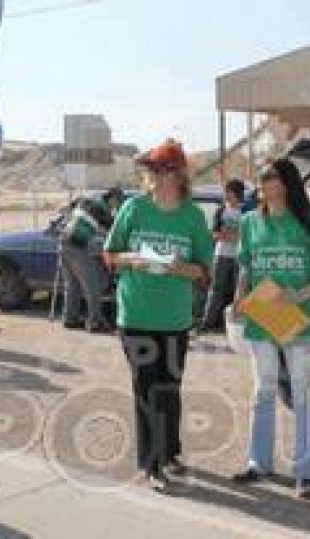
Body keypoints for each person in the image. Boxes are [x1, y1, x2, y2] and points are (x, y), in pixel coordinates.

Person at [103, 139, 213, 493]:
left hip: (175, 319)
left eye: (165, 169)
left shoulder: (192, 216)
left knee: (170, 388)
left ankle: (170, 451)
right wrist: (132, 259)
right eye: (152, 170)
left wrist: (181, 268)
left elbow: (205, 270)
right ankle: (152, 463)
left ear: (179, 174)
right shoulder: (133, 209)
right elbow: (110, 254)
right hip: (135, 316)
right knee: (147, 389)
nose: (157, 176)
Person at [231, 158, 310, 500]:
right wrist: (238, 298)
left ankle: (304, 472)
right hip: (263, 312)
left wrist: (300, 295)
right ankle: (258, 462)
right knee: (263, 388)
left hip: (300, 318)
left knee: (302, 392)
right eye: (261, 178)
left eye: (271, 177)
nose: (264, 183)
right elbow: (246, 266)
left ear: (287, 182)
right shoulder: (249, 222)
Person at [60, 194, 114, 332]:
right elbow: (112, 232)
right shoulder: (103, 210)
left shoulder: (84, 201)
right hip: (78, 246)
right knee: (92, 288)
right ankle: (94, 323)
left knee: (72, 286)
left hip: (64, 242)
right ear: (111, 201)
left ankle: (69, 319)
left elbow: (66, 210)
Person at [201, 179, 245, 331]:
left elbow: (245, 236)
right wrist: (231, 236)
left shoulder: (245, 211)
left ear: (237, 194)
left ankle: (236, 323)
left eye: (230, 192)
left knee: (238, 289)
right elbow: (214, 233)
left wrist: (230, 236)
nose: (227, 195)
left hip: (240, 256)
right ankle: (207, 323)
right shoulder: (221, 210)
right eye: (226, 192)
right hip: (221, 255)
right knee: (216, 289)